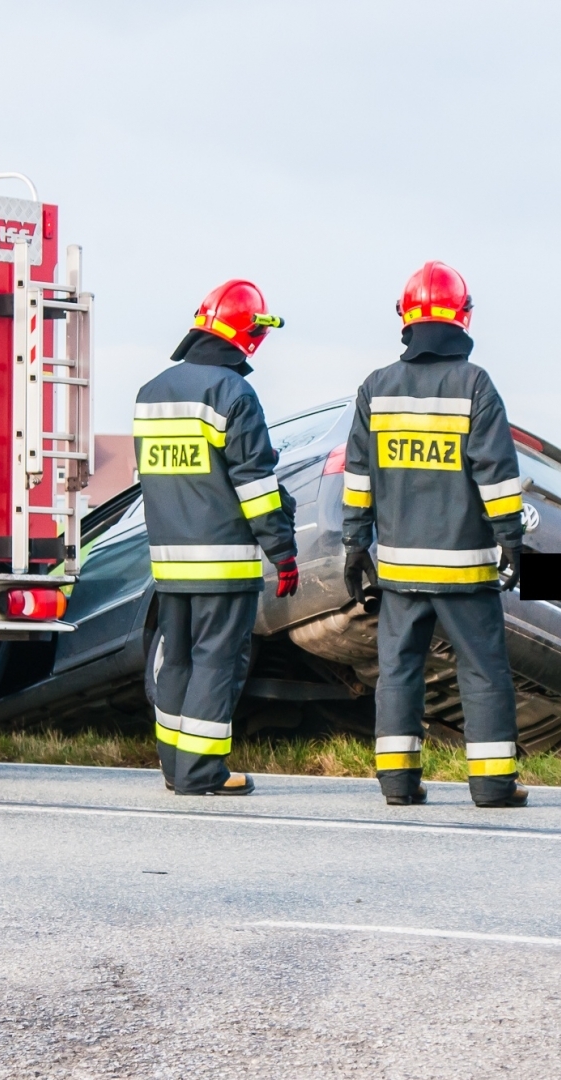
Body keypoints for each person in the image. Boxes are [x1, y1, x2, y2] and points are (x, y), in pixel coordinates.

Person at [342, 260, 528, 808]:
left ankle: (398, 784)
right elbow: (496, 475)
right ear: (462, 316)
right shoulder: (475, 384)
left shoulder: (376, 388)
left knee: (399, 672)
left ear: (405, 317)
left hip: (400, 569)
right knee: (484, 673)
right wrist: (511, 541)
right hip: (465, 569)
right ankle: (492, 785)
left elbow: (358, 477)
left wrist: (355, 544)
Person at [135, 280, 299, 796]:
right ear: (248, 335)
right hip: (223, 564)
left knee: (177, 661)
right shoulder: (234, 393)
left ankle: (174, 767)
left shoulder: (150, 393)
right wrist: (283, 552)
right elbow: (256, 486)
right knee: (216, 663)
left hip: (169, 565)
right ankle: (202, 772)